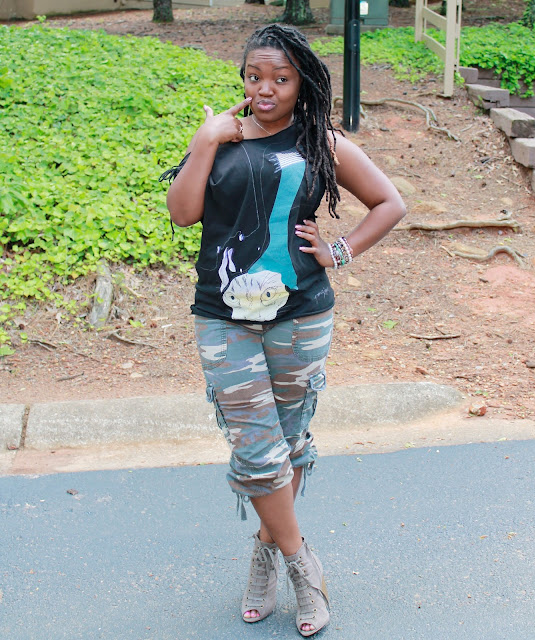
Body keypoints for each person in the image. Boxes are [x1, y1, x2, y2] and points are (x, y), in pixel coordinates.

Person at [160, 24, 406, 637]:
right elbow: (183, 213)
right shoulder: (221, 135)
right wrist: (203, 139)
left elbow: (390, 204)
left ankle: (265, 551)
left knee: (289, 442)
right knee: (255, 446)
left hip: (301, 315)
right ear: (242, 78)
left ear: (301, 83)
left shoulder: (321, 140)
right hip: (224, 317)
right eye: (254, 76)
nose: (265, 89)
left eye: (280, 78)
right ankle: (302, 564)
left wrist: (338, 251)